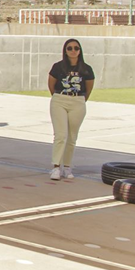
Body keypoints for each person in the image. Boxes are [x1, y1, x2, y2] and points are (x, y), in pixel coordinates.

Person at [48, 38, 94, 181]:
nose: (73, 51)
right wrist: (60, 97)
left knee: (72, 137)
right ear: (65, 51)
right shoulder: (58, 67)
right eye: (70, 48)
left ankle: (67, 167)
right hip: (60, 100)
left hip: (78, 101)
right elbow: (51, 85)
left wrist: (79, 99)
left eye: (76, 48)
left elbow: (88, 88)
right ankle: (56, 167)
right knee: (61, 135)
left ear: (80, 51)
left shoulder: (86, 69)